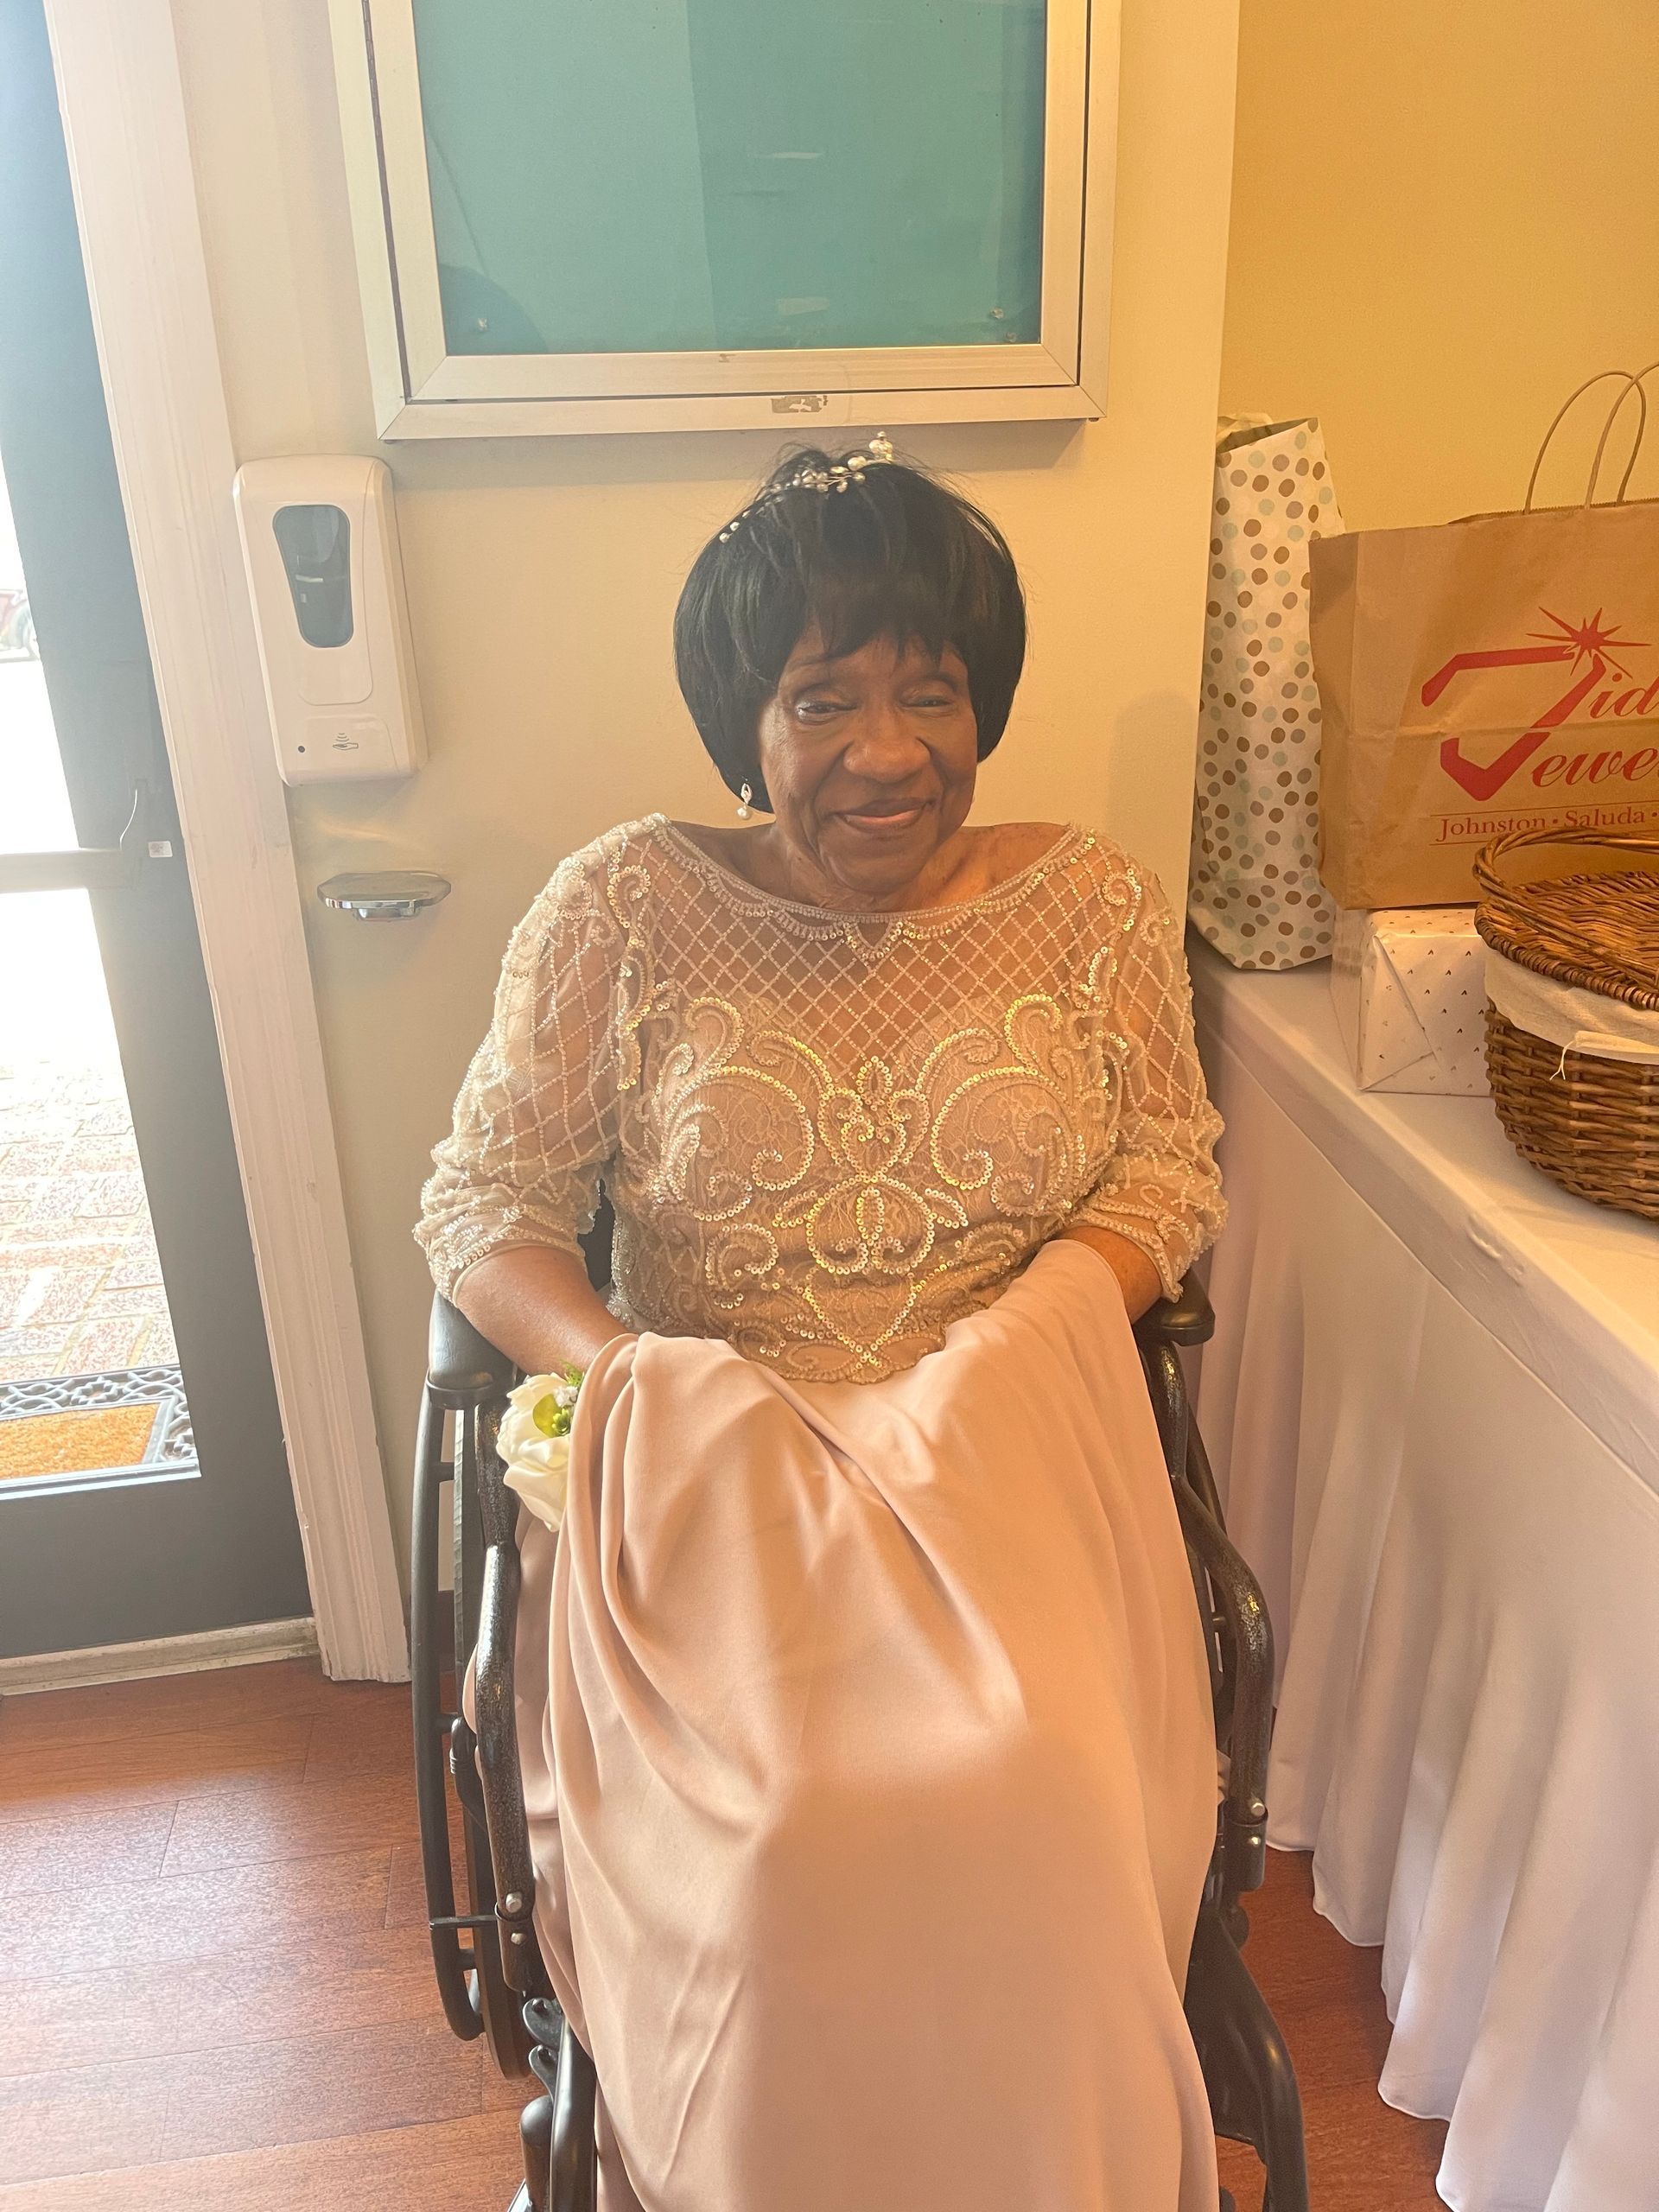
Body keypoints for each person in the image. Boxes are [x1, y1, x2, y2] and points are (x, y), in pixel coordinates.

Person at [416, 440, 1228, 2211]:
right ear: (744, 726)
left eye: (930, 692)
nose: (886, 752)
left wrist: (1021, 1347)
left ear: (983, 705)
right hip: (718, 1468)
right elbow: (486, 1210)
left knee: (1041, 1792)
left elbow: (1170, 1165)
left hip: (1014, 1450)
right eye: (822, 699)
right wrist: (634, 1374)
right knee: (788, 1842)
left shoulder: (1085, 904)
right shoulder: (622, 907)